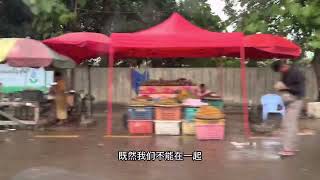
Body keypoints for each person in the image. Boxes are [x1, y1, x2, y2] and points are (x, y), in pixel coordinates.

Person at [271, 60, 305, 157]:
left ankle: (288, 149)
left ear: (283, 66)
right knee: (291, 124)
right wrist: (281, 87)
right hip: (289, 101)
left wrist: (286, 88)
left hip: (295, 101)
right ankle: (293, 147)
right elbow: (285, 87)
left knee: (288, 125)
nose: (281, 72)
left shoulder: (296, 73)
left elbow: (300, 90)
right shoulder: (285, 73)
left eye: (280, 70)